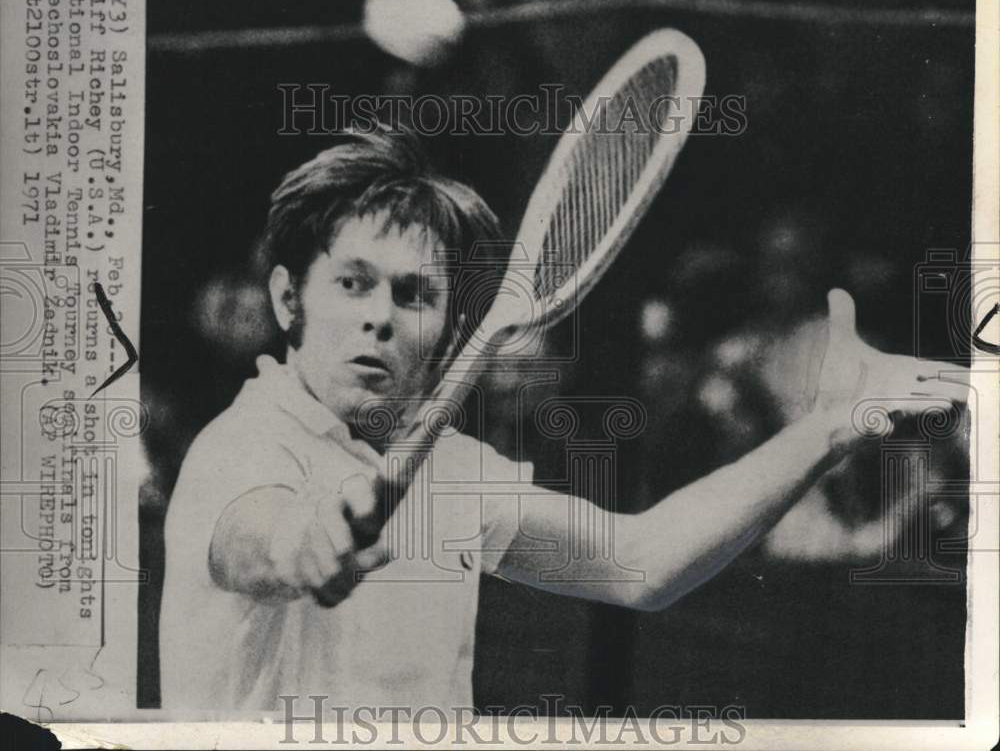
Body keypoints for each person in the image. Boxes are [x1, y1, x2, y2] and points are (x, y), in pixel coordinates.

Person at [159, 127, 967, 714]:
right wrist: (305, 545)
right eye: (352, 283)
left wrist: (827, 430)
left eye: (414, 294)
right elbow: (256, 540)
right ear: (288, 301)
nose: (380, 315)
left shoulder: (455, 473)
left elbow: (639, 565)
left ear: (450, 329)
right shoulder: (239, 447)